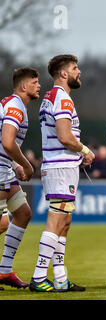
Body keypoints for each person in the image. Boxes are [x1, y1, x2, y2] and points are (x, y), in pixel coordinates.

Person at [30, 54, 95, 292]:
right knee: (56, 220)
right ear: (64, 73)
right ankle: (38, 277)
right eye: (75, 68)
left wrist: (77, 156)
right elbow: (65, 136)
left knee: (64, 222)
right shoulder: (62, 99)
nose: (79, 72)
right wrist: (85, 151)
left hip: (60, 165)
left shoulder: (51, 98)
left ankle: (59, 278)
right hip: (60, 168)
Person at [0, 67, 40, 290]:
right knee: (3, 222)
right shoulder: (16, 107)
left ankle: (4, 272)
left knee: (23, 214)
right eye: (34, 82)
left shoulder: (10, 103)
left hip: (5, 168)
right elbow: (7, 142)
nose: (38, 86)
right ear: (23, 86)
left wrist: (15, 164)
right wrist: (26, 164)